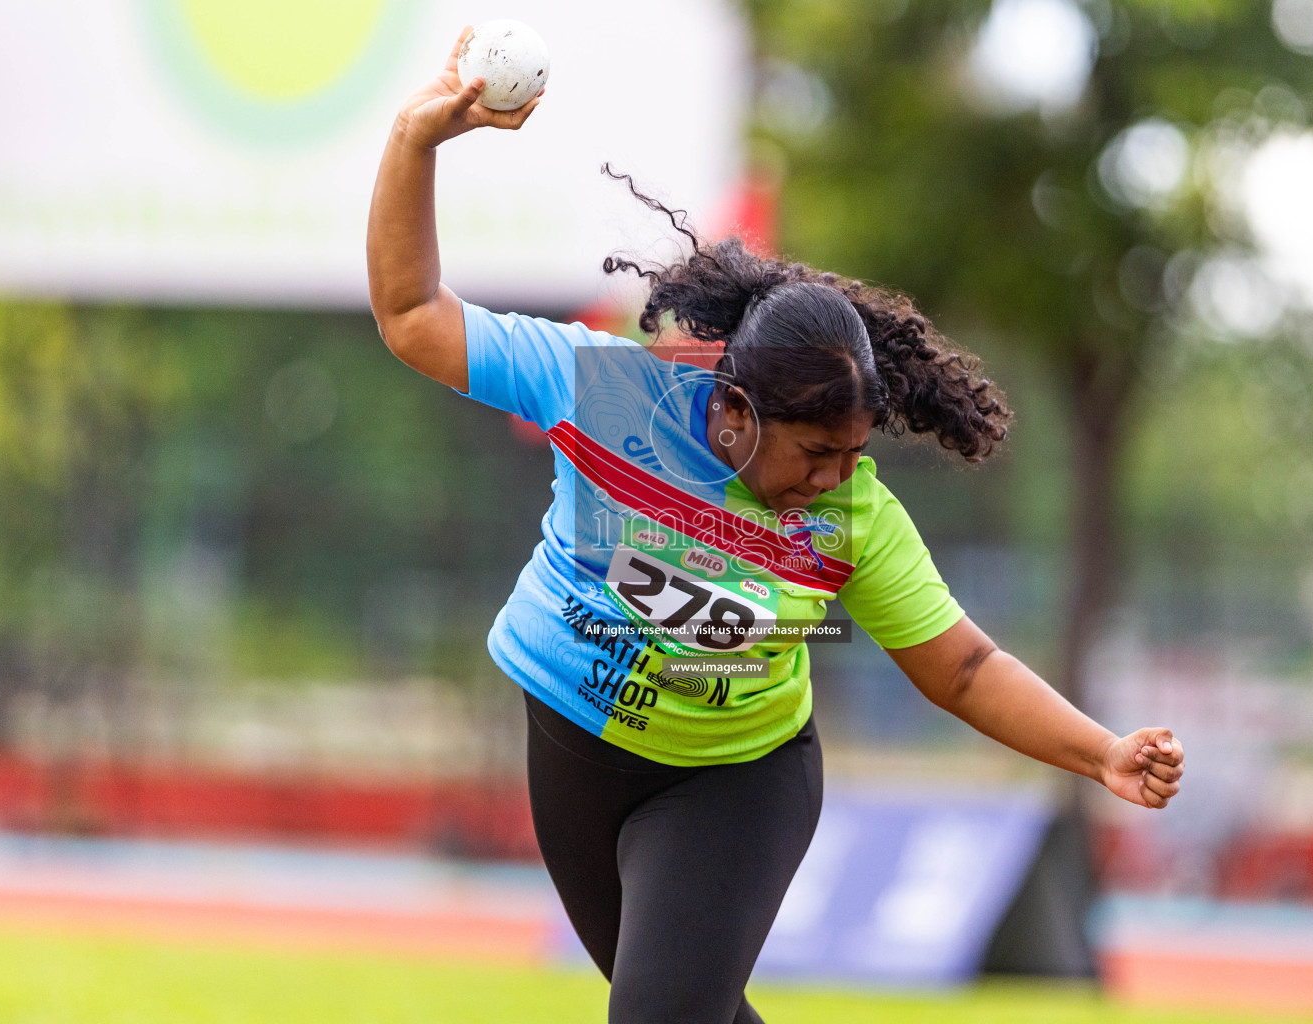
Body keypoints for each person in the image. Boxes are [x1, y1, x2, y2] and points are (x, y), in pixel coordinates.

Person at [367, 28, 1186, 1024]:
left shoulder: (853, 517)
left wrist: (1099, 751)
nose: (839, 475)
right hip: (575, 752)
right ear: (736, 409)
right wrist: (417, 140)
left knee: (659, 1017)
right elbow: (413, 314)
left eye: (855, 451)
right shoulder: (604, 391)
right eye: (817, 453)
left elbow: (963, 668)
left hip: (735, 782)